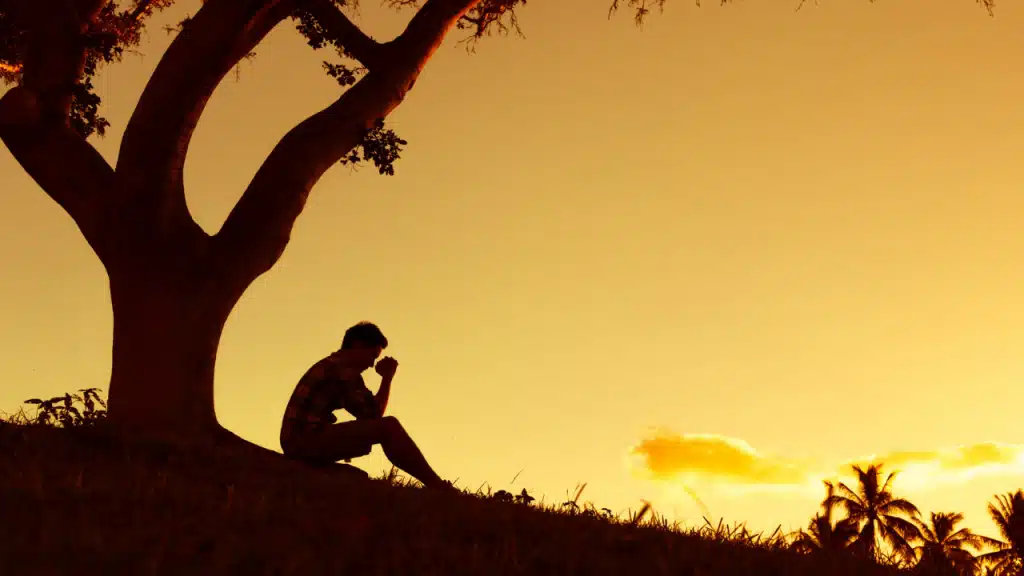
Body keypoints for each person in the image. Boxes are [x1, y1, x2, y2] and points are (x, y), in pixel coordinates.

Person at [279, 321, 451, 489]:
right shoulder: (342, 369)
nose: (371, 364)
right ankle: (437, 486)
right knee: (389, 427)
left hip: (299, 439)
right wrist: (387, 377)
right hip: (303, 441)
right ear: (357, 345)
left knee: (356, 473)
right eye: (372, 356)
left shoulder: (335, 364)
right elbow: (373, 416)